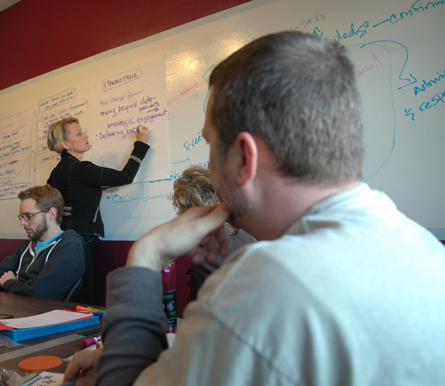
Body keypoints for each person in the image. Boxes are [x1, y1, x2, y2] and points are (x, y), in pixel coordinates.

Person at [63, 31, 445, 386]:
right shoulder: (421, 247)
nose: (210, 166)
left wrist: (146, 254)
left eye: (211, 146)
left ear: (245, 158)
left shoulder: (268, 281)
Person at [46, 117, 151, 304]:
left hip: (62, 239)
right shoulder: (81, 169)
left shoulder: (56, 172)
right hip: (83, 239)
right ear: (65, 144)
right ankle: (84, 333)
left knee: (69, 292)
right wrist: (141, 144)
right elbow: (125, 177)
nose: (85, 135)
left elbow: (49, 203)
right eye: (78, 133)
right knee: (84, 296)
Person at [170, 164, 255, 301]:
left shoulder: (206, 259)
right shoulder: (247, 237)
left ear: (189, 212)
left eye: (180, 208)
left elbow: (202, 318)